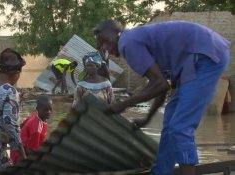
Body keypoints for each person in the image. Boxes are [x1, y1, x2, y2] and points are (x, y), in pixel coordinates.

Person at [94, 19, 230, 175]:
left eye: (105, 40)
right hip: (194, 60)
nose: (105, 47)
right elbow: (160, 86)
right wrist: (147, 118)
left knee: (180, 127)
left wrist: (124, 104)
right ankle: (161, 172)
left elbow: (160, 84)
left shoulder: (127, 43)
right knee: (170, 124)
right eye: (100, 45)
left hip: (204, 57)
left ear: (116, 32)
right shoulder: (133, 39)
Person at [10, 95, 53, 165]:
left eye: (50, 109)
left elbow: (21, 125)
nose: (49, 112)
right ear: (38, 109)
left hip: (17, 149)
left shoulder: (35, 115)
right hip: (19, 155)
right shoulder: (37, 129)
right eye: (45, 110)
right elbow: (31, 150)